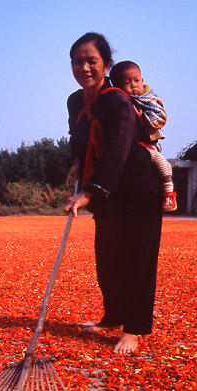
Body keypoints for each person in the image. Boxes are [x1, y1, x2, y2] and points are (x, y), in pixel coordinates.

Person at [64, 32, 163, 354]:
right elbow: (76, 137)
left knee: (137, 261)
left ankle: (133, 329)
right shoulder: (75, 100)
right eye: (77, 61)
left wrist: (89, 193)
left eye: (91, 61)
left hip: (138, 190)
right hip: (108, 195)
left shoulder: (117, 99)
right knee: (108, 260)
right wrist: (77, 163)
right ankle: (113, 315)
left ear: (106, 65)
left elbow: (118, 149)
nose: (84, 67)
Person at [109, 60, 177, 212]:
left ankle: (169, 194)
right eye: (127, 83)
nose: (134, 85)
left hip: (148, 143)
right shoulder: (121, 100)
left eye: (137, 81)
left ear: (142, 80)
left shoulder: (149, 99)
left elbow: (161, 117)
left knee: (162, 164)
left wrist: (142, 119)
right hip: (130, 145)